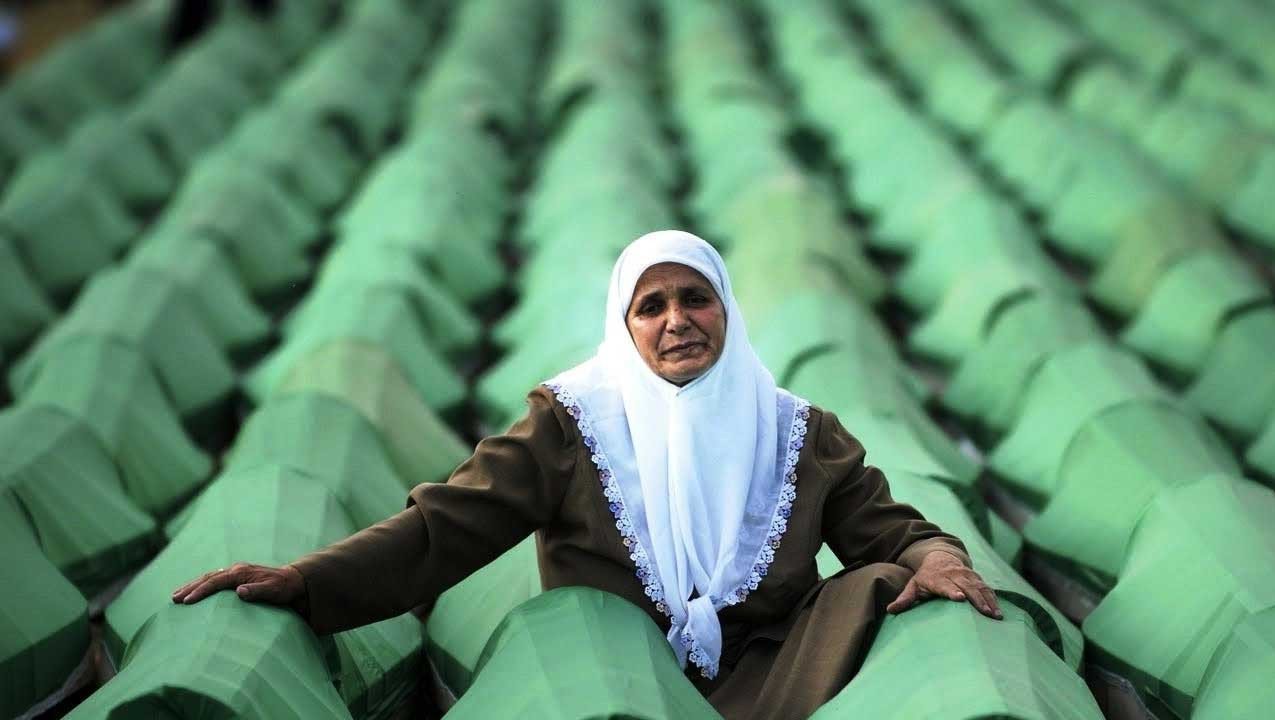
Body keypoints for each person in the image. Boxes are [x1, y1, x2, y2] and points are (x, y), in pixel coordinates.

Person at [172, 230, 1001, 719]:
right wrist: (307, 584)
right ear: (626, 324)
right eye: (652, 306)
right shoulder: (573, 424)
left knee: (887, 583)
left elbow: (888, 529)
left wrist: (938, 559)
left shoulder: (796, 430)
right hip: (613, 675)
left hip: (770, 672)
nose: (678, 321)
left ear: (727, 309)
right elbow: (445, 527)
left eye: (696, 298)